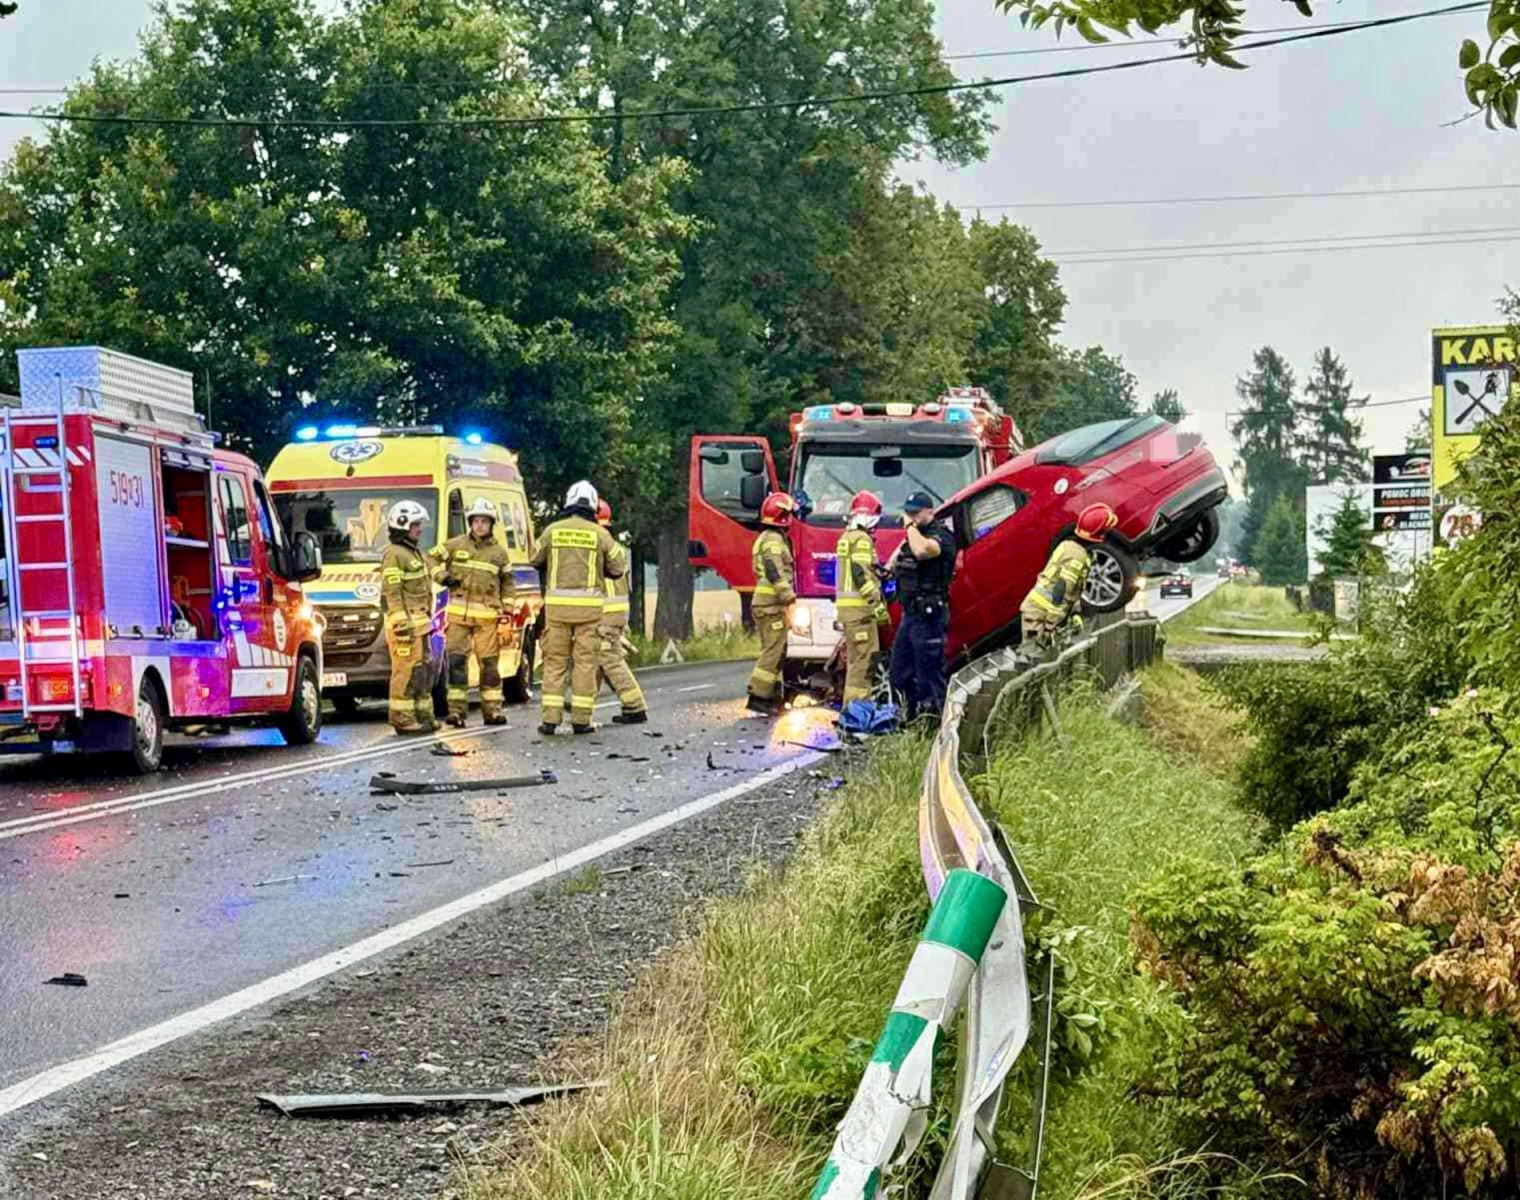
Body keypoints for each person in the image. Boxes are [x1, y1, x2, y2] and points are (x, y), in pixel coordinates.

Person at [531, 480, 625, 735]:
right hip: (589, 613)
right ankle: (582, 721)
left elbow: (534, 558)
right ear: (593, 506)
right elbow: (618, 568)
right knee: (585, 663)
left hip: (557, 611)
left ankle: (550, 720)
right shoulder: (601, 534)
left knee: (554, 663)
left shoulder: (552, 531)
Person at [428, 497, 515, 728]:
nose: (479, 525)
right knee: (456, 663)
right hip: (458, 617)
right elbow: (430, 557)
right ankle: (456, 712)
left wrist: (507, 615)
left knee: (489, 665)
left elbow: (508, 584)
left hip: (488, 619)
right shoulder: (455, 545)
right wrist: (441, 576)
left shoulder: (499, 554)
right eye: (476, 521)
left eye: (484, 521)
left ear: (491, 524)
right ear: (470, 522)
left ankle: (493, 711)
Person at [889, 491, 956, 722]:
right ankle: (906, 719)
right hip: (911, 615)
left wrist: (909, 529)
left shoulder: (941, 536)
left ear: (930, 511)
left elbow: (923, 550)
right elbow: (894, 562)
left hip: (930, 616)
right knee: (899, 671)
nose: (912, 517)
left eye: (916, 513)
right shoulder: (914, 536)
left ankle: (933, 724)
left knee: (929, 671)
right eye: (909, 513)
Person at [1018, 503, 1119, 646]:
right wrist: (1050, 624)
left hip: (1040, 611)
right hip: (1039, 615)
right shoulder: (1077, 556)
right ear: (1099, 533)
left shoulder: (1071, 547)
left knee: (1047, 658)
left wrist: (1075, 613)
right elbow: (1062, 587)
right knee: (1035, 655)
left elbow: (1073, 589)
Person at [379, 499, 438, 735]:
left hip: (420, 626)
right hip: (405, 628)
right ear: (402, 525)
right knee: (405, 672)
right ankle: (402, 718)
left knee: (421, 671)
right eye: (415, 525)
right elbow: (392, 593)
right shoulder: (394, 555)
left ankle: (423, 715)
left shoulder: (413, 553)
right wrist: (400, 623)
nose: (420, 529)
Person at [595, 499, 648, 724]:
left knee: (609, 660)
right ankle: (581, 703)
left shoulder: (597, 546)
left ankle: (635, 706)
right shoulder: (613, 546)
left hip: (605, 614)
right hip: (615, 614)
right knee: (599, 659)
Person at [834, 489, 889, 703]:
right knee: (863, 663)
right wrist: (877, 604)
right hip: (861, 612)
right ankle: (858, 711)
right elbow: (860, 574)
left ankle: (853, 709)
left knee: (856, 661)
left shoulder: (846, 538)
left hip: (849, 612)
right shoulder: (863, 540)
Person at [746, 492, 798, 714]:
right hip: (770, 604)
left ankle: (771, 695)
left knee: (777, 649)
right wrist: (789, 597)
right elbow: (773, 569)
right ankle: (758, 696)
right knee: (773, 651)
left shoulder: (766, 538)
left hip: (768, 604)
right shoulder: (773, 540)